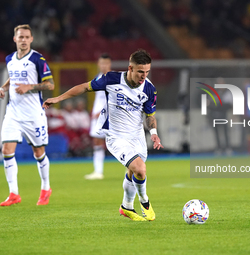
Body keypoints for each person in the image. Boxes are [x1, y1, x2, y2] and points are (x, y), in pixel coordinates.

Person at [43, 49, 163, 221]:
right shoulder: (111, 79)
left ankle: (126, 206)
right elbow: (84, 87)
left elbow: (150, 115)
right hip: (116, 137)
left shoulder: (149, 89)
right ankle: (144, 200)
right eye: (140, 72)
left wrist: (154, 133)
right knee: (140, 169)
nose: (143, 76)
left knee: (134, 171)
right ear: (130, 68)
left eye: (147, 72)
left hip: (137, 137)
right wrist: (58, 99)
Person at [0, 24, 54, 206]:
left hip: (33, 115)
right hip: (13, 112)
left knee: (38, 153)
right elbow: (13, 77)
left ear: (31, 39)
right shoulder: (10, 59)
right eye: (20, 37)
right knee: (6, 150)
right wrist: (4, 87)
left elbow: (50, 85)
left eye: (26, 37)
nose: (23, 40)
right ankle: (14, 193)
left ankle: (46, 188)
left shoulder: (38, 59)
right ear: (15, 39)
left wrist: (29, 87)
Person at [85, 53, 112, 180]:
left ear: (110, 64)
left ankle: (131, 169)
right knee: (97, 142)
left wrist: (102, 111)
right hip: (97, 117)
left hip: (108, 116)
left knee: (119, 143)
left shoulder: (112, 79)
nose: (104, 65)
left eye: (106, 63)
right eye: (102, 63)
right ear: (98, 64)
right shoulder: (98, 77)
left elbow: (114, 99)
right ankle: (98, 171)